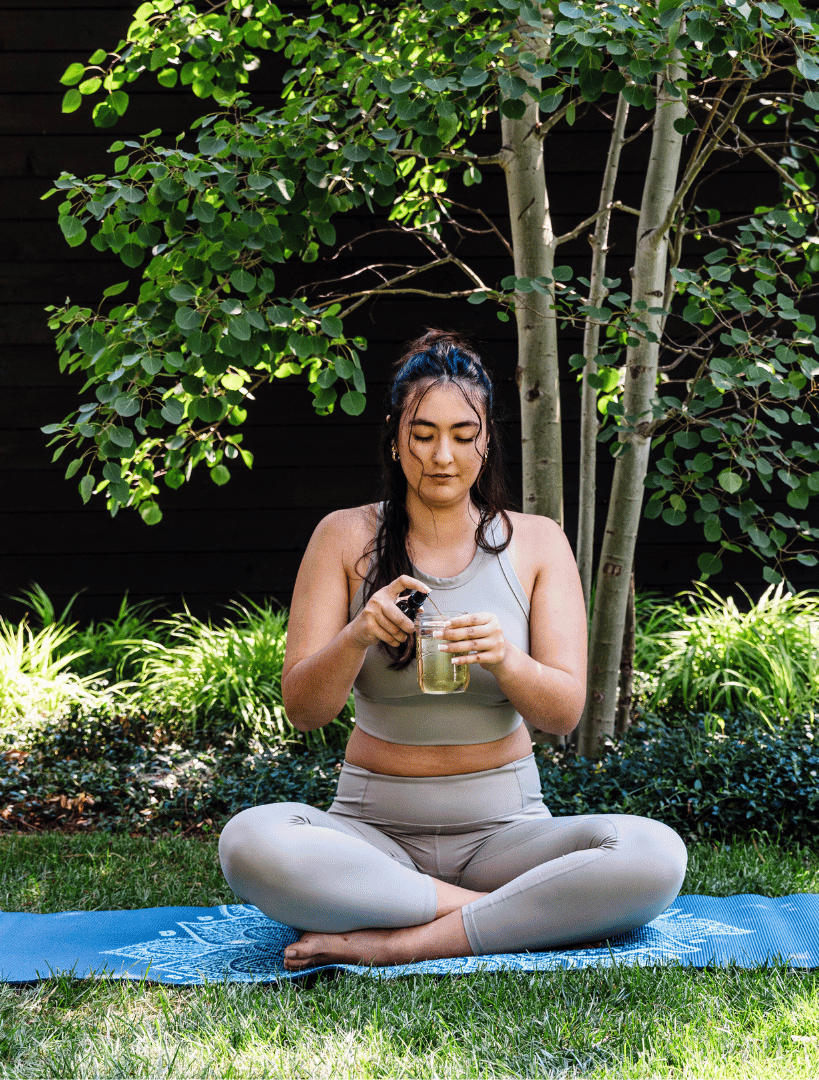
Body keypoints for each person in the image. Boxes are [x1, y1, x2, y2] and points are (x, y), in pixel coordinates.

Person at [218, 329, 688, 971]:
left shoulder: (537, 541)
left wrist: (506, 660)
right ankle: (506, 914)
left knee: (654, 854)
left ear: (486, 440)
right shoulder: (342, 537)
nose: (443, 456)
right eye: (423, 435)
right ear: (395, 437)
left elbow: (563, 714)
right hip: (372, 835)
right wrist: (358, 634)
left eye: (464, 436)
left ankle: (401, 940)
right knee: (249, 842)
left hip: (508, 836)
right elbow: (304, 711)